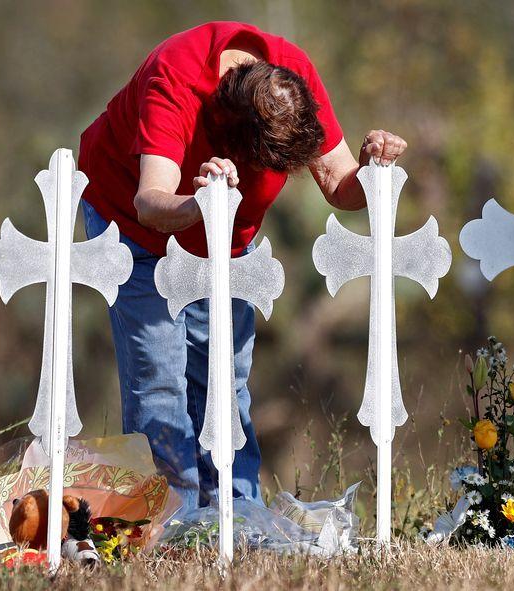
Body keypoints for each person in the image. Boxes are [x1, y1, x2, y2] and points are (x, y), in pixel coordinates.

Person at [78, 21, 407, 514]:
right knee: (161, 379)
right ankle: (174, 521)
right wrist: (205, 203)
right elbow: (150, 202)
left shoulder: (290, 79)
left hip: (229, 241)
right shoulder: (176, 83)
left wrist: (373, 166)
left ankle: (236, 512)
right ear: (229, 139)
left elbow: (340, 185)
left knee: (224, 378)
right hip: (135, 227)